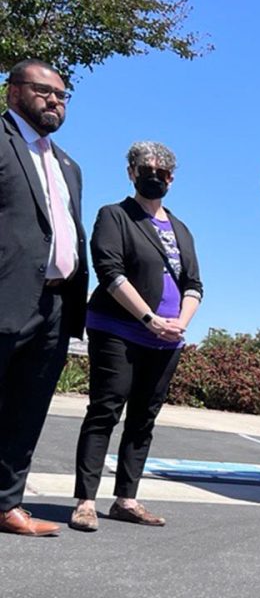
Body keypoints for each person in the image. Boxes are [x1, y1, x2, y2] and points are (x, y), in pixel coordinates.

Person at [68, 141, 202, 532]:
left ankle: (126, 498)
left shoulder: (181, 230)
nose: (154, 177)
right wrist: (147, 318)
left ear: (172, 179)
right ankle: (86, 502)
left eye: (162, 172)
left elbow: (195, 284)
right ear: (131, 172)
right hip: (119, 331)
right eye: (146, 169)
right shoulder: (114, 216)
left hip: (167, 340)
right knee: (105, 410)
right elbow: (109, 273)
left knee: (144, 418)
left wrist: (179, 322)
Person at [0, 59, 88, 537]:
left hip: (54, 306)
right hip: (5, 294)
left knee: (27, 411)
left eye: (62, 95)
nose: (54, 100)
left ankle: (6, 504)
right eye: (43, 91)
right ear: (13, 92)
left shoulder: (68, 165)